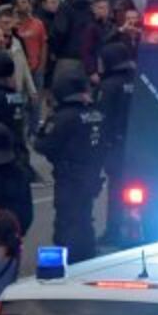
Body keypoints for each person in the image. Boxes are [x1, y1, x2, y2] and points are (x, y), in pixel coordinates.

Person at [40, 70, 105, 264]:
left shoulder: (63, 117)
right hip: (91, 173)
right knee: (85, 217)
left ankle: (66, 264)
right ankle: (87, 256)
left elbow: (43, 143)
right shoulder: (96, 113)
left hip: (70, 177)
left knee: (66, 221)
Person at [95, 41, 139, 246]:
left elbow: (102, 117)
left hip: (116, 145)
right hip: (139, 144)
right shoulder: (139, 80)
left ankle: (114, 230)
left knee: (116, 190)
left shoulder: (109, 85)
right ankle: (136, 227)